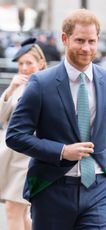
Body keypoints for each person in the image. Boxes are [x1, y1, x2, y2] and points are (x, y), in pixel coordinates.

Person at [5, 8, 106, 230]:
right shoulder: (41, 83)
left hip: (98, 190)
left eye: (91, 41)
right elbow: (15, 136)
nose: (86, 48)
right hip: (52, 190)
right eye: (79, 40)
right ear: (65, 39)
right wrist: (61, 151)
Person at [0, 37, 47, 230]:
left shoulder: (46, 86)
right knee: (21, 215)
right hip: (10, 158)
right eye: (21, 63)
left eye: (29, 63)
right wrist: (10, 90)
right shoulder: (19, 87)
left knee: (13, 211)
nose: (24, 67)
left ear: (41, 63)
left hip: (27, 158)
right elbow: (2, 117)